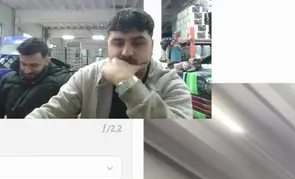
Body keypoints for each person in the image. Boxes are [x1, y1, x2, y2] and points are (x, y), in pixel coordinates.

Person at [26, 8, 192, 120]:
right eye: (118, 43)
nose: (127, 52)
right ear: (108, 45)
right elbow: (50, 113)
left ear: (152, 46)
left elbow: (178, 140)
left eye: (138, 43)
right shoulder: (86, 76)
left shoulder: (171, 85)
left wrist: (127, 83)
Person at [0, 39, 71, 119]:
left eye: (34, 65)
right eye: (23, 64)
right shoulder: (8, 80)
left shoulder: (62, 83)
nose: (27, 70)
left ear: (47, 61)